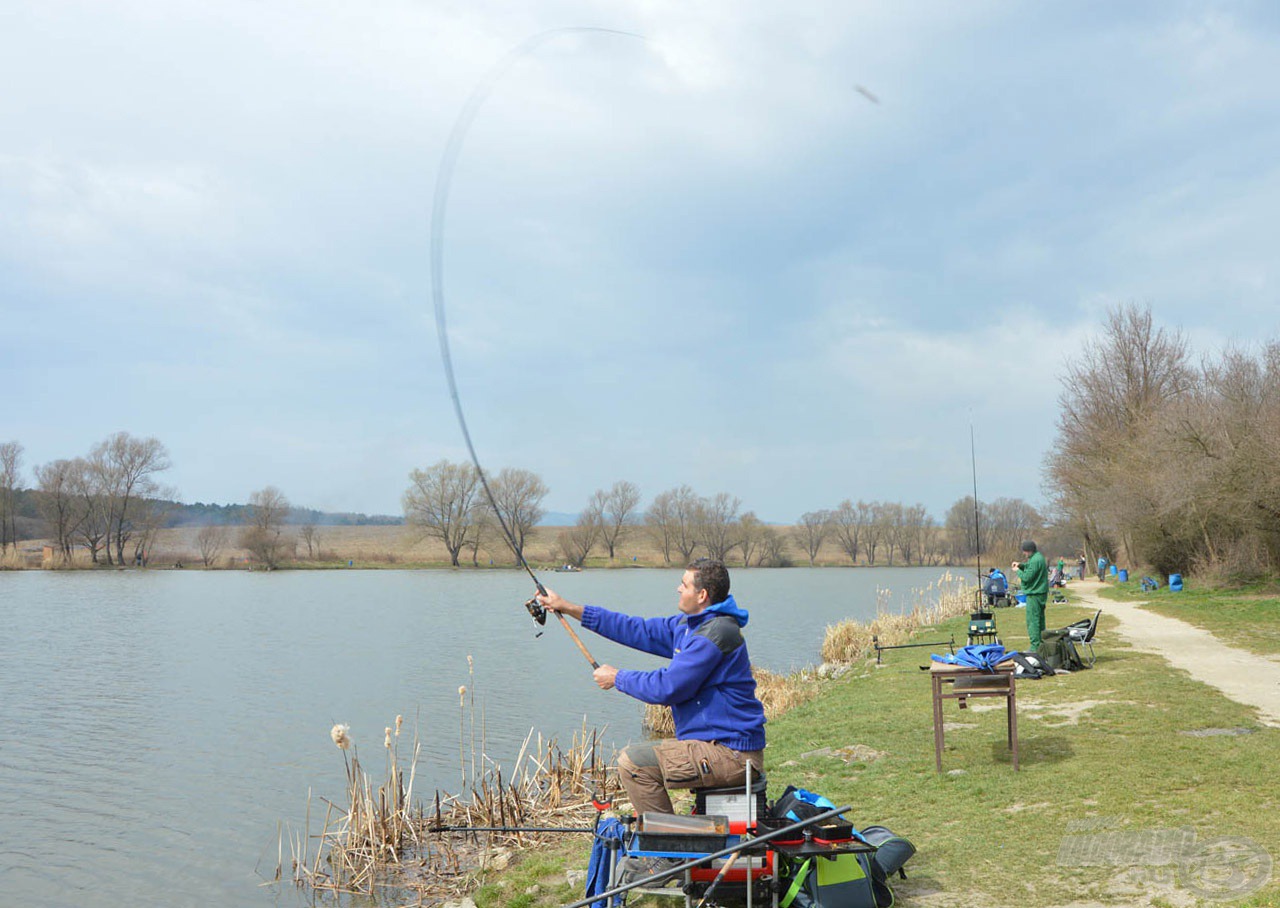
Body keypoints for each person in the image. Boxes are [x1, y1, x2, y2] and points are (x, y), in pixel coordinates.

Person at [535, 558, 766, 819]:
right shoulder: (690, 626)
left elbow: (668, 687)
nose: (678, 589)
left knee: (634, 763)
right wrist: (567, 607)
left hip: (731, 755)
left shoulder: (715, 634)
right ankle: (671, 839)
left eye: (684, 584)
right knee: (640, 760)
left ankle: (667, 847)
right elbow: (635, 629)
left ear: (701, 595)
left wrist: (617, 677)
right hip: (716, 747)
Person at [1013, 540, 1049, 650]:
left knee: (1033, 621)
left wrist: (1017, 571)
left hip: (1035, 594)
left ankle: (1035, 647)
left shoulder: (1035, 560)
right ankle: (1042, 644)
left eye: (1024, 552)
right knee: (1040, 620)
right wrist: (1021, 565)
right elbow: (1030, 567)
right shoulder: (1038, 557)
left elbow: (1027, 577)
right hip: (1041, 593)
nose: (1024, 554)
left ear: (1028, 551)